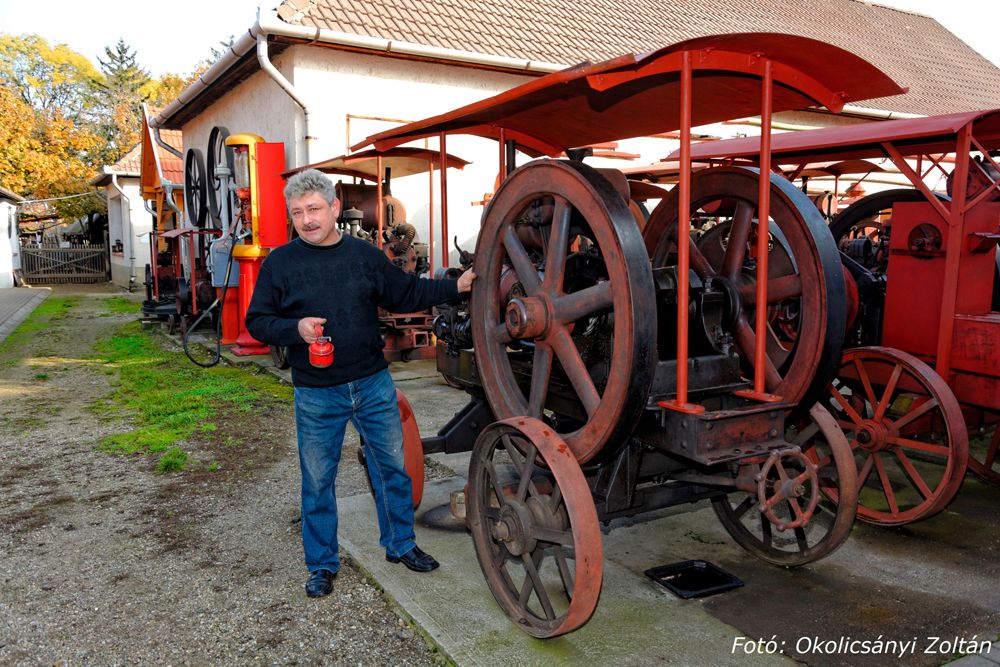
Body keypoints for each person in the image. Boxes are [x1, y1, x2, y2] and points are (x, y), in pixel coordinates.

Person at [246, 168, 475, 598]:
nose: (307, 219)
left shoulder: (364, 256)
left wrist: (455, 287)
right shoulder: (280, 263)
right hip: (316, 392)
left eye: (314, 209)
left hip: (371, 384)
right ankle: (321, 564)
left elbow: (406, 292)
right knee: (317, 481)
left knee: (393, 468)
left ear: (334, 208)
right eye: (297, 213)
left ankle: (401, 544)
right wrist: (296, 329)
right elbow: (257, 322)